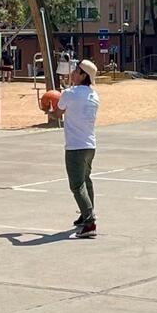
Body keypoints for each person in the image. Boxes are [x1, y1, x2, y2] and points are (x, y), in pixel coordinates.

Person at [54, 59, 100, 238]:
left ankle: (89, 222)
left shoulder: (70, 93)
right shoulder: (94, 95)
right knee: (86, 180)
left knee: (77, 185)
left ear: (83, 75)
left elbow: (58, 113)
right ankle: (85, 214)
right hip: (90, 145)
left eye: (75, 70)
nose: (72, 73)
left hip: (75, 146)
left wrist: (47, 109)